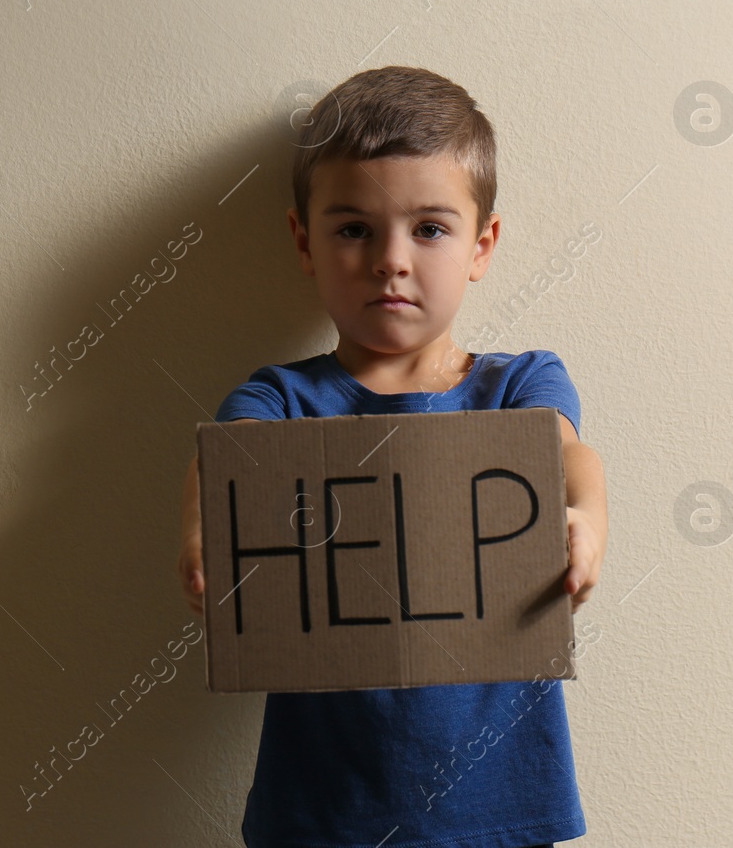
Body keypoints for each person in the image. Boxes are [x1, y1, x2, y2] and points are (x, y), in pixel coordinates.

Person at [177, 65, 608, 848]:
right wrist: (208, 530)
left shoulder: (518, 382)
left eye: (430, 229)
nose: (390, 259)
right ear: (304, 241)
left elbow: (568, 453)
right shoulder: (282, 398)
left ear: (483, 245)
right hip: (323, 812)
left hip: (499, 808)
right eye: (354, 229)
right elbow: (228, 465)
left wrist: (585, 518)